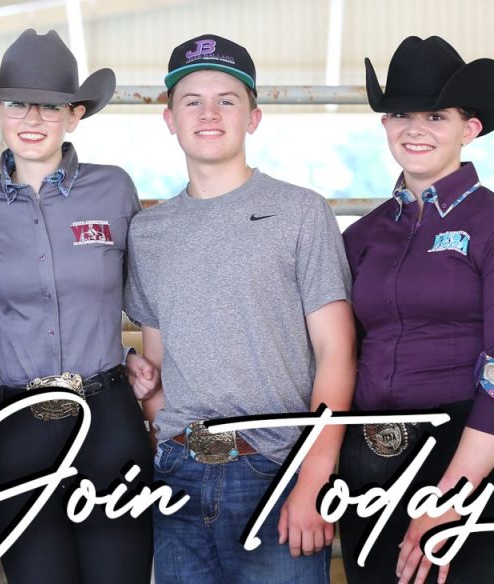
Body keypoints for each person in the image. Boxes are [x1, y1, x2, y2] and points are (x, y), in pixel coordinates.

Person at [124, 34, 355, 583]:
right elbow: (158, 366)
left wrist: (313, 478)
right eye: (192, 101)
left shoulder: (301, 213)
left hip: (276, 470)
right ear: (170, 119)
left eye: (226, 100)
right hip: (178, 476)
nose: (209, 113)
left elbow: (337, 351)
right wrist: (149, 400)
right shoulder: (148, 232)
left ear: (253, 117)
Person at [339, 36, 494, 584]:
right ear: (384, 125)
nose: (414, 129)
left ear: (470, 128)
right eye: (400, 115)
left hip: (463, 456)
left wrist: (450, 497)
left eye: (435, 116)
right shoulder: (362, 236)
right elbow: (336, 351)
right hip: (368, 464)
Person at [0, 29, 156, 583]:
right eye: (17, 104)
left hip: (107, 416)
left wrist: (133, 359)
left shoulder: (114, 190)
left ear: (74, 115)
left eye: (49, 106)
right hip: (19, 421)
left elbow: (147, 297)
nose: (32, 119)